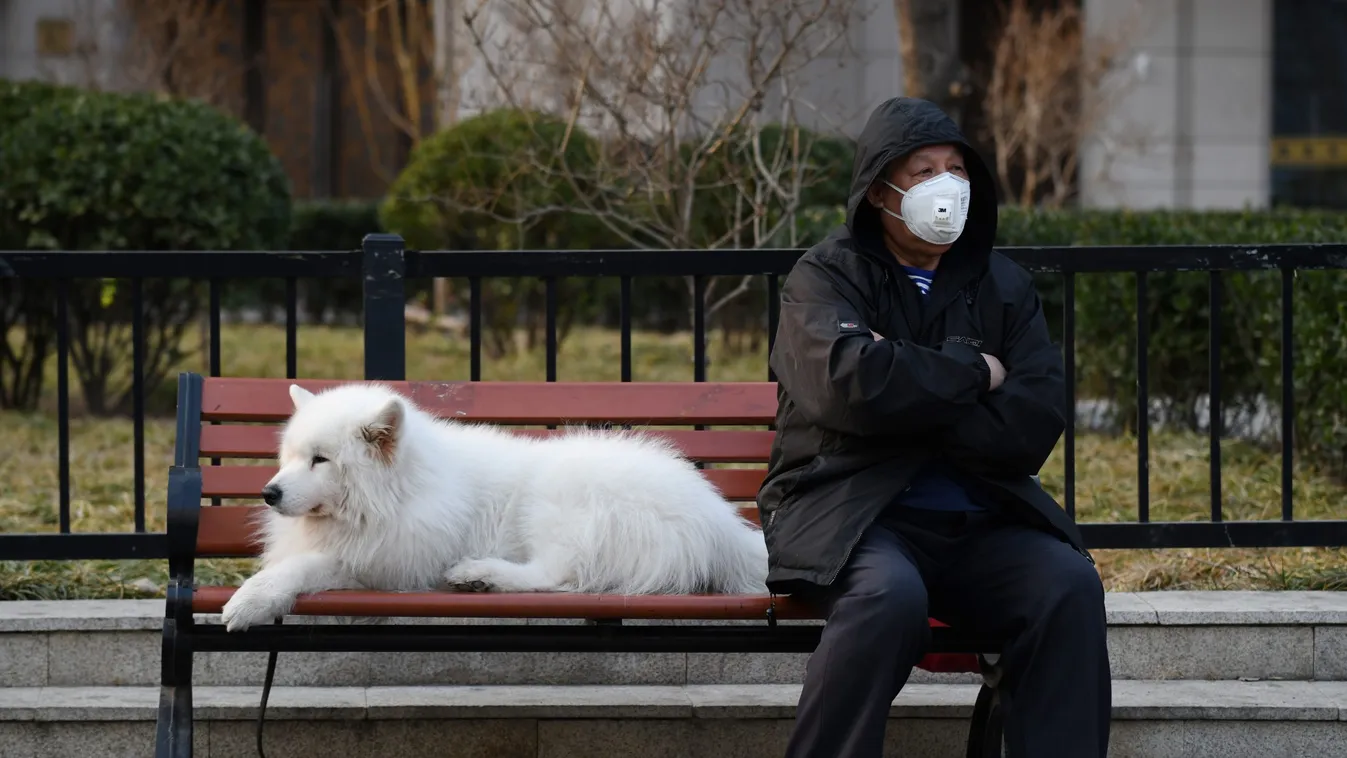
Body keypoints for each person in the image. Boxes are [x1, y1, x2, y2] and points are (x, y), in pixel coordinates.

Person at [758, 96, 1111, 758]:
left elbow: (1033, 420)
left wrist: (905, 392)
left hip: (978, 522)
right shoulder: (827, 276)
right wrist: (972, 375)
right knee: (887, 597)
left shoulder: (1001, 285)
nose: (943, 186)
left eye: (955, 168)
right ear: (878, 190)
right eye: (921, 171)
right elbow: (849, 389)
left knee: (1066, 585)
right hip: (854, 515)